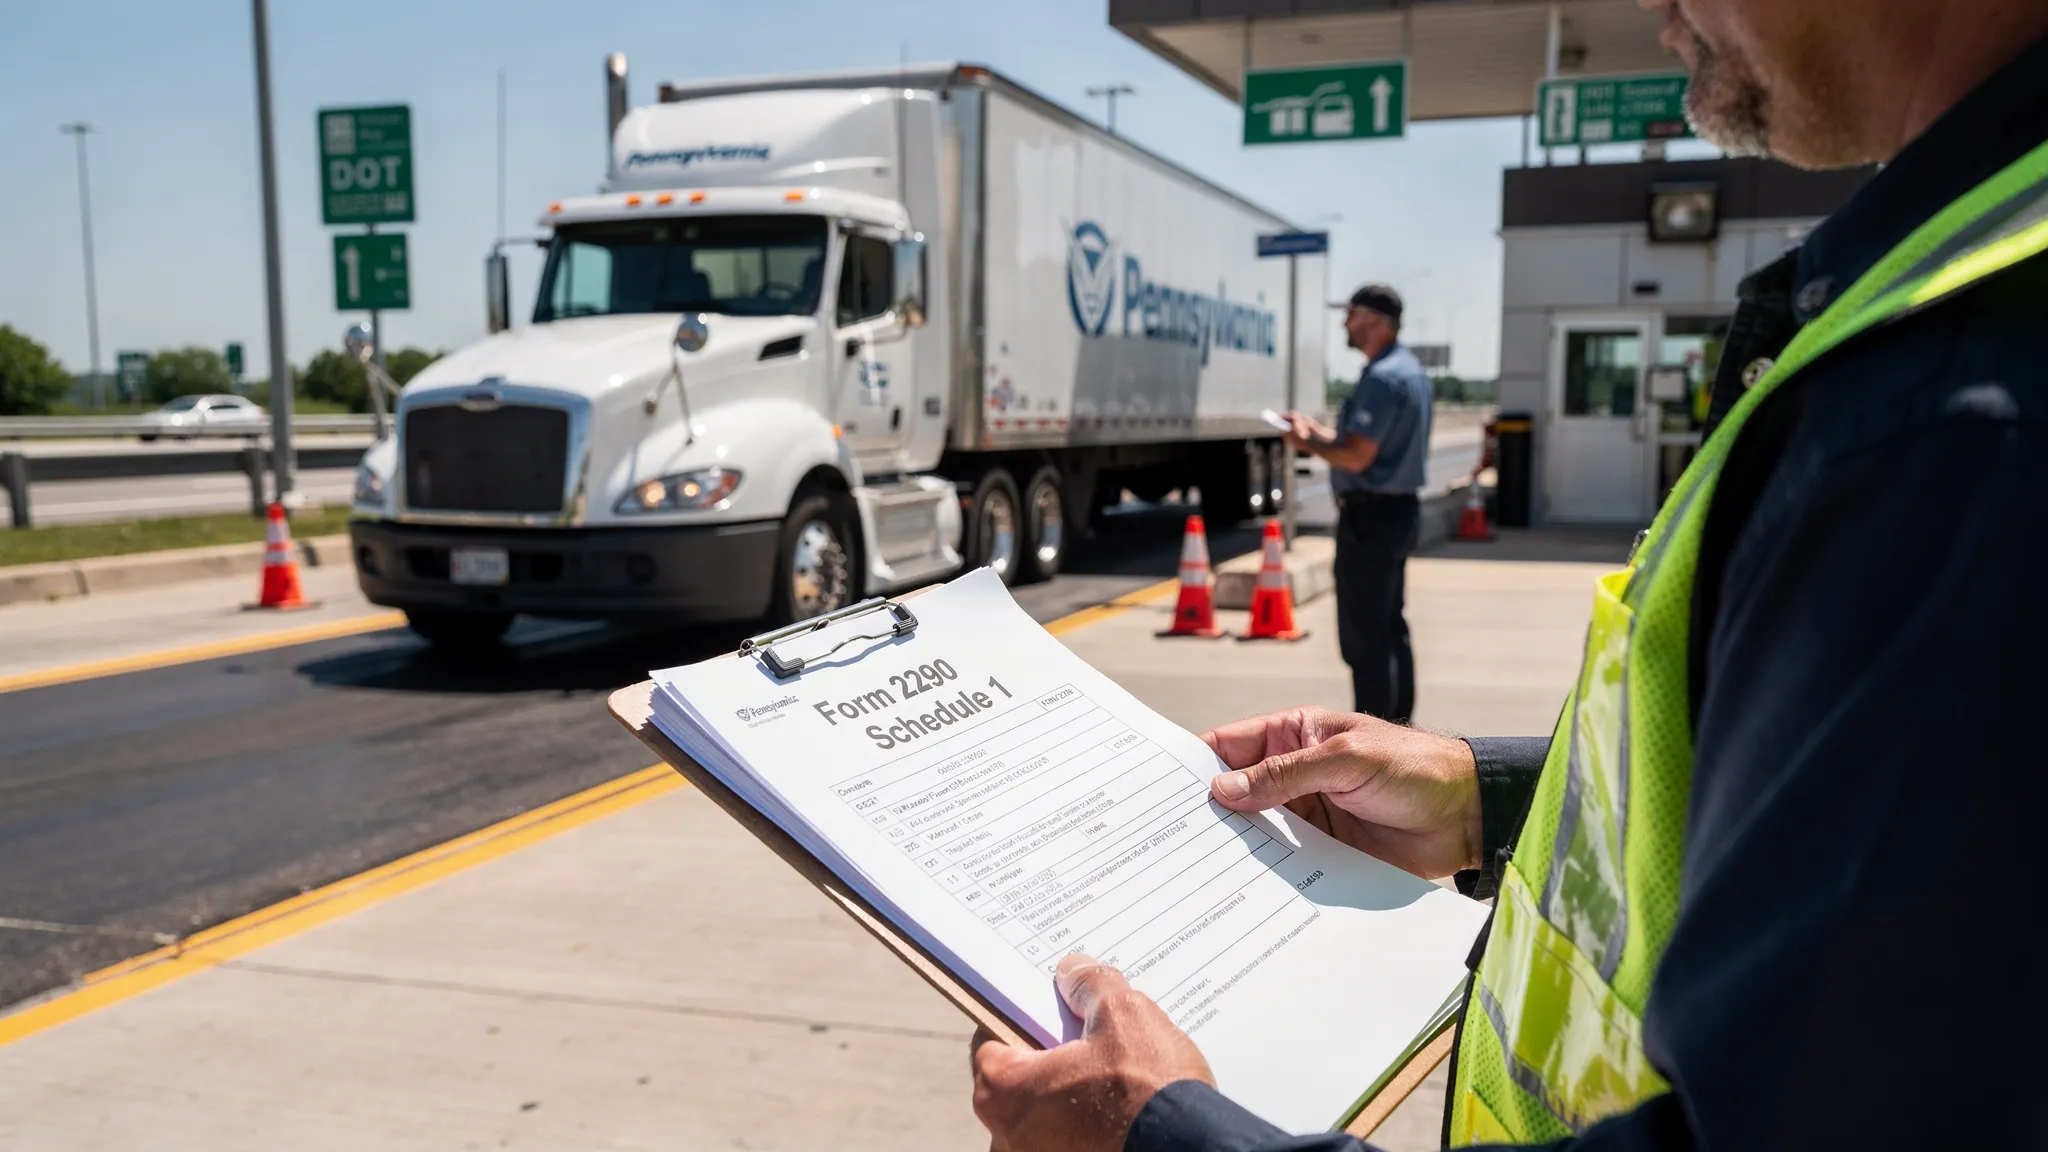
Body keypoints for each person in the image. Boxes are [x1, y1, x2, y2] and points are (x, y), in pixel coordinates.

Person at [968, 0, 2048, 1148]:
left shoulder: (1960, 416)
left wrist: (1167, 1136)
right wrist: (1490, 799)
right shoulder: (1931, 325)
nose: (1653, 9)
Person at [1283, 285, 1433, 721]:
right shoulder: (1410, 372)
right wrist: (1315, 431)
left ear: (1374, 321)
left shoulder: (1384, 378)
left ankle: (1372, 745)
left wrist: (1305, 441)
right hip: (1397, 513)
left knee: (1366, 639)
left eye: (1351, 315)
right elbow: (1360, 444)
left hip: (1371, 518)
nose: (1345, 324)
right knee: (1390, 628)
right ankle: (1401, 732)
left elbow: (1357, 455)